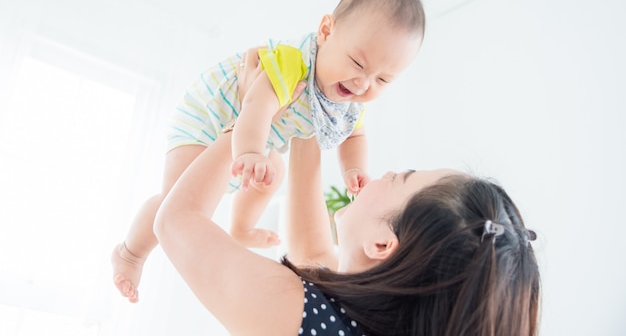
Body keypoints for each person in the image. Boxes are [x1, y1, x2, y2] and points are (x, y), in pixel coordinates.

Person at [111, 0, 425, 302]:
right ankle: (130, 253)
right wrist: (248, 151)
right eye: (358, 63)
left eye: (383, 80)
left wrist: (352, 170)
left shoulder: (348, 102)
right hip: (209, 119)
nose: (363, 83)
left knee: (272, 173)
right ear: (326, 31)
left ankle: (241, 227)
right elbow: (257, 106)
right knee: (176, 199)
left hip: (258, 134)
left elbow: (354, 136)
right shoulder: (293, 63)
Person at [152, 129, 541, 336]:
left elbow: (175, 221)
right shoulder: (344, 324)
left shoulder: (295, 313)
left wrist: (247, 129)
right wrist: (310, 124)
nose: (383, 174)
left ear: (382, 243)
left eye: (397, 179)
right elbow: (313, 254)